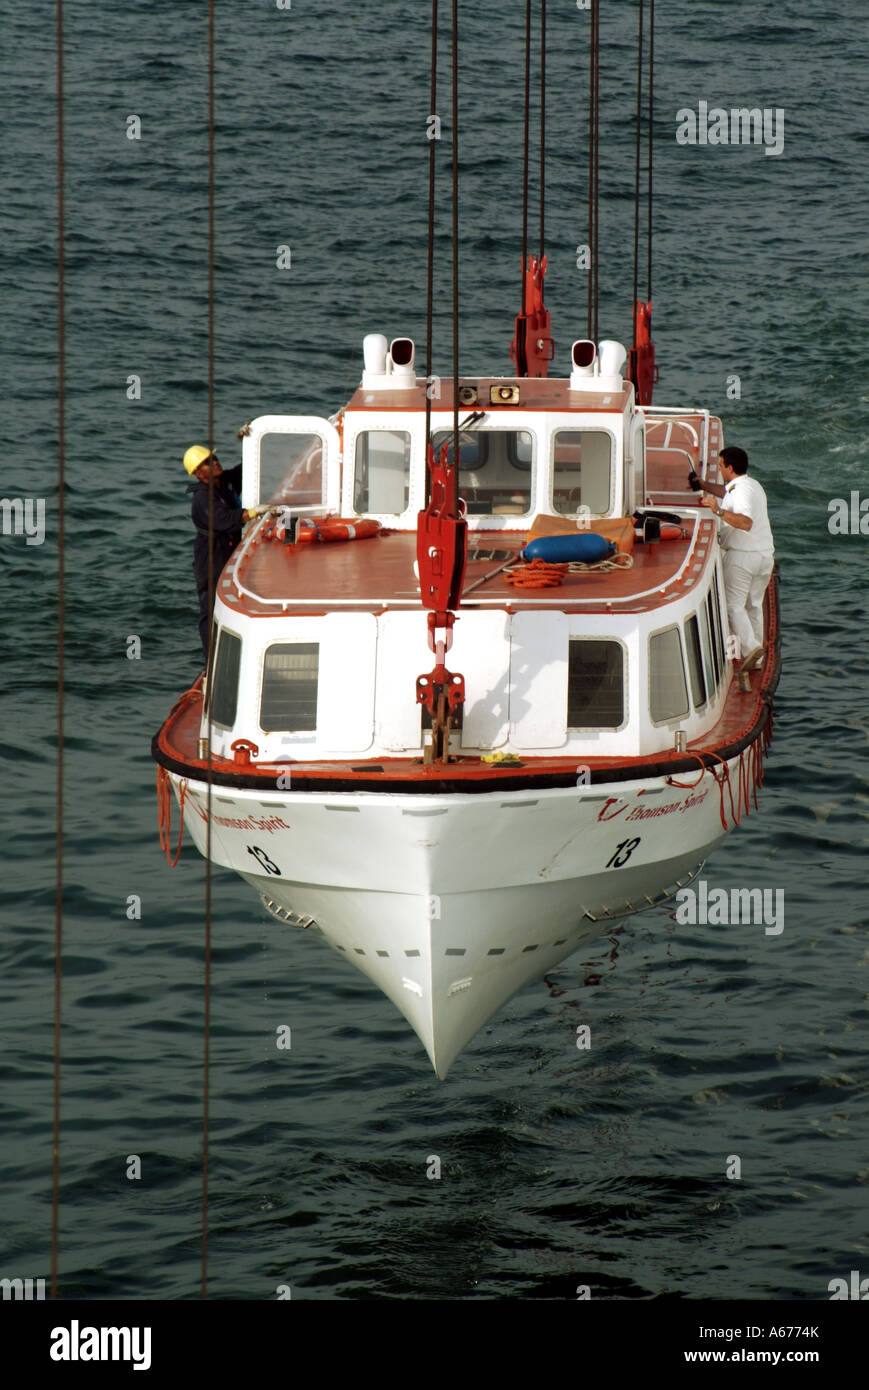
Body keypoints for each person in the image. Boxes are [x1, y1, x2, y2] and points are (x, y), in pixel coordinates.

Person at [691, 446, 774, 669]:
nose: (719, 469)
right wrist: (704, 485)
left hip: (743, 557)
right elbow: (727, 492)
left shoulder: (740, 492)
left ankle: (749, 649)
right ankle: (758, 658)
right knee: (753, 605)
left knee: (733, 606)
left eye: (719, 466)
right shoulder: (751, 485)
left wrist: (718, 511)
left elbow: (745, 522)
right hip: (765, 556)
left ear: (729, 467)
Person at [183, 444, 261, 660]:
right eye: (207, 463)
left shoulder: (224, 481)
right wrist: (253, 513)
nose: (214, 463)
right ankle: (211, 662)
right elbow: (224, 520)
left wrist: (252, 440)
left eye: (213, 459)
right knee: (210, 609)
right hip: (211, 557)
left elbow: (249, 467)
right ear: (198, 474)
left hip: (228, 549)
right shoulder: (202, 500)